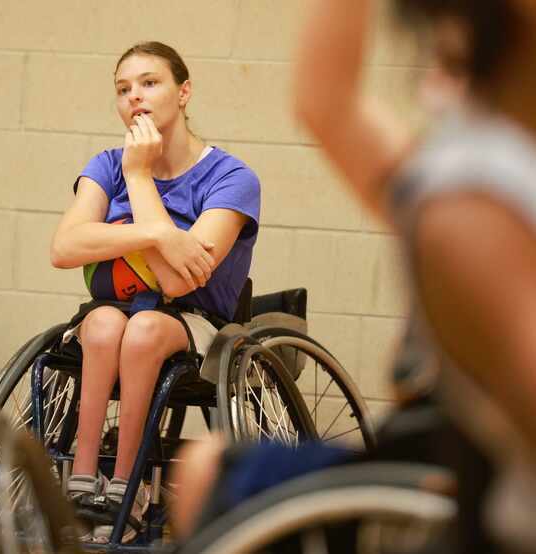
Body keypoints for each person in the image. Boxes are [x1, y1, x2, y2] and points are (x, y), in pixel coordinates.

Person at [172, 1, 536, 551]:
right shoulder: (470, 176)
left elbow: (327, 104)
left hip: (466, 479)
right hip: (440, 456)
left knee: (208, 469)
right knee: (206, 466)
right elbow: (327, 103)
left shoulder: (472, 200)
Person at [50, 41, 261, 542]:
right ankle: (82, 479)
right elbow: (65, 247)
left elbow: (176, 281)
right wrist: (161, 235)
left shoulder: (232, 177)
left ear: (184, 92)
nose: (134, 98)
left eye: (149, 83)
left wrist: (139, 176)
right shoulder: (104, 164)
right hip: (113, 310)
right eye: (123, 89)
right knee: (100, 323)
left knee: (144, 329)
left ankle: (128, 484)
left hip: (192, 320)